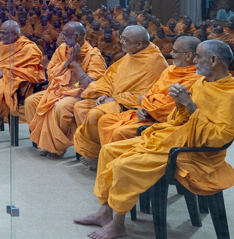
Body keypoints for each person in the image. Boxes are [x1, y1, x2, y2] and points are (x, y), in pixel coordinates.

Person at [74, 39, 234, 239]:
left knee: (123, 165)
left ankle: (118, 225)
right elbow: (179, 120)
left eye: (198, 56)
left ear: (213, 60)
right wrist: (180, 104)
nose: (194, 60)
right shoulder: (202, 82)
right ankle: (104, 212)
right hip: (175, 138)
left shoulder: (231, 95)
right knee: (109, 150)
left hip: (195, 154)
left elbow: (217, 138)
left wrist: (189, 105)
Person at [71, 26, 167, 168]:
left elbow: (148, 95)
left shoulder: (154, 62)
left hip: (131, 106)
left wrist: (116, 99)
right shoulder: (132, 54)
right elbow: (111, 78)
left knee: (94, 114)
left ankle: (98, 155)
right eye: (121, 38)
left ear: (139, 44)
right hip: (115, 98)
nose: (121, 42)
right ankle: (94, 151)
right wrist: (105, 93)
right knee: (81, 107)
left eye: (125, 40)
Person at [90, 36, 202, 150]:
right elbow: (151, 93)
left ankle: (119, 158)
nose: (171, 54)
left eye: (175, 51)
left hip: (162, 120)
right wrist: (142, 108)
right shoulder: (170, 70)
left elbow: (168, 106)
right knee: (106, 120)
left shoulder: (195, 77)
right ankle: (106, 155)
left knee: (120, 132)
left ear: (189, 56)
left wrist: (145, 103)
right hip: (146, 112)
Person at [24, 21, 106, 157]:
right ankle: (46, 142)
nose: (62, 38)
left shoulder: (93, 55)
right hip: (58, 89)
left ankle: (57, 147)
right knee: (31, 102)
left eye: (66, 35)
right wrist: (67, 62)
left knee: (60, 107)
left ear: (78, 36)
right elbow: (50, 72)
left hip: (78, 92)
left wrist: (76, 64)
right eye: (63, 35)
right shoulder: (62, 49)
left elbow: (93, 84)